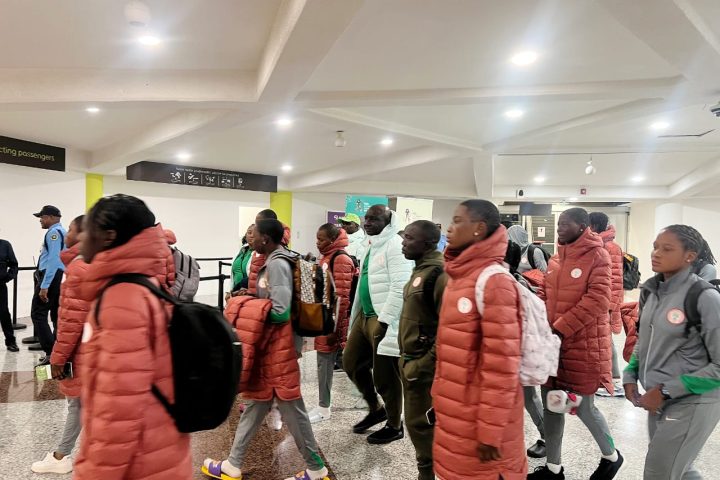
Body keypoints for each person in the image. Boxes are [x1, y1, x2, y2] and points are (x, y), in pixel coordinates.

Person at [73, 194, 192, 479]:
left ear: (108, 236)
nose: (80, 236)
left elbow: (118, 408)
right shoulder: (141, 283)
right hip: (157, 447)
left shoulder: (120, 298)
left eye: (87, 229)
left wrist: (94, 472)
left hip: (139, 460)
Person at [202, 219, 330, 480]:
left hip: (277, 348)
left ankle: (316, 468)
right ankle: (233, 464)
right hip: (271, 347)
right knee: (255, 403)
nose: (250, 238)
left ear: (266, 239)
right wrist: (250, 297)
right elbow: (270, 302)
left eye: (255, 234)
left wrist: (242, 305)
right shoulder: (273, 260)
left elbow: (280, 311)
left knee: (292, 409)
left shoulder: (277, 264)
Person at [432, 200, 527, 480]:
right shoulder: (459, 277)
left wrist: (491, 430)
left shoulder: (494, 282)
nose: (449, 228)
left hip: (481, 424)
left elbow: (503, 365)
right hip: (456, 412)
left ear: (479, 228)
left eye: (458, 220)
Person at [529, 207, 622, 480]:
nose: (559, 228)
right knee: (553, 404)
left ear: (583, 226)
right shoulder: (557, 258)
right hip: (554, 345)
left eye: (565, 224)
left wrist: (559, 328)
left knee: (583, 406)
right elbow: (548, 294)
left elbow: (598, 301)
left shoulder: (598, 256)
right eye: (558, 223)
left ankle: (612, 456)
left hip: (582, 345)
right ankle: (553, 468)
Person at [624, 225, 720, 480]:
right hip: (659, 398)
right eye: (655, 246)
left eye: (667, 249)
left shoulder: (705, 297)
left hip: (694, 401)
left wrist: (667, 390)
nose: (656, 253)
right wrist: (630, 373)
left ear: (690, 256)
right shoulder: (650, 291)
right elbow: (645, 339)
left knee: (659, 473)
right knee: (680, 468)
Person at [343, 205, 413, 445]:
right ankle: (376, 408)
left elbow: (399, 287)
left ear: (388, 221)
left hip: (383, 319)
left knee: (386, 375)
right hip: (365, 316)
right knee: (351, 363)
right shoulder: (371, 244)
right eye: (367, 218)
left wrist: (384, 321)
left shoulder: (394, 245)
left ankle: (395, 425)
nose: (368, 222)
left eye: (374, 219)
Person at [31, 215, 90, 475]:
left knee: (76, 403)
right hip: (99, 350)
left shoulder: (78, 269)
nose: (66, 233)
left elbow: (70, 322)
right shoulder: (100, 264)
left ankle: (60, 456)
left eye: (72, 230)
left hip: (84, 352)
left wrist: (57, 358)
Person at [399, 221, 447, 480]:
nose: (403, 242)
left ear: (428, 243)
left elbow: (447, 329)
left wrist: (423, 364)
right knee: (417, 425)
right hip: (410, 362)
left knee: (421, 425)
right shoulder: (419, 269)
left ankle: (428, 474)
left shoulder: (438, 275)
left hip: (423, 366)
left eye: (409, 238)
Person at [307, 223, 356, 424]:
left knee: (326, 364)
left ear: (332, 239)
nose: (318, 243)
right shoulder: (327, 256)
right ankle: (323, 404)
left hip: (331, 323)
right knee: (324, 363)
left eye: (321, 239)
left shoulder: (340, 259)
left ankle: (324, 408)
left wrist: (332, 328)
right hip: (324, 319)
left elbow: (342, 298)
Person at [590, 212, 625, 397]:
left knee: (605, 341)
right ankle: (605, 378)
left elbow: (615, 280)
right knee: (600, 341)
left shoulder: (611, 247)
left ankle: (613, 380)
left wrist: (609, 305)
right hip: (598, 302)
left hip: (605, 304)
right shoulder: (596, 244)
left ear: (593, 226)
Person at [31, 205, 66, 365]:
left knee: (38, 314)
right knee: (54, 315)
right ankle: (57, 352)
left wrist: (44, 285)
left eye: (42, 217)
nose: (40, 220)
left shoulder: (53, 233)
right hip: (56, 276)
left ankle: (50, 353)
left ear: (51, 217)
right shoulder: (59, 232)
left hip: (50, 276)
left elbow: (54, 260)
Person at [0, 236, 18, 352]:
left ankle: (10, 341)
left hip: (0, 285)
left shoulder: (5, 245)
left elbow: (14, 264)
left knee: (3, 313)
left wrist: (7, 277)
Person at [231, 224, 254, 292]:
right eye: (249, 233)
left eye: (255, 233)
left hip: (247, 292)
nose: (251, 235)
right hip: (235, 291)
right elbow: (233, 274)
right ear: (246, 235)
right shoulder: (241, 250)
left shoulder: (260, 253)